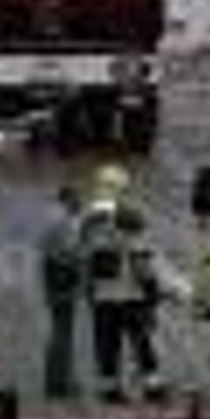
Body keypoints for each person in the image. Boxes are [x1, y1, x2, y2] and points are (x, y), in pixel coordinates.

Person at [81, 164, 165, 404]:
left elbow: (85, 259)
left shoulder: (90, 221)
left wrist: (89, 291)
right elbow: (140, 259)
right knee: (142, 342)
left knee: (107, 345)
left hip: (102, 297)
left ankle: (109, 389)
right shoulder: (131, 217)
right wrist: (152, 290)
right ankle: (153, 388)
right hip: (131, 294)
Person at [39, 183, 86, 400]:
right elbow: (69, 253)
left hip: (50, 274)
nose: (81, 203)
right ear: (69, 199)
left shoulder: (50, 216)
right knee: (63, 332)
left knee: (59, 329)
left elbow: (45, 247)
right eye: (78, 199)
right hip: (62, 276)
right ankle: (59, 385)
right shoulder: (65, 221)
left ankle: (55, 381)